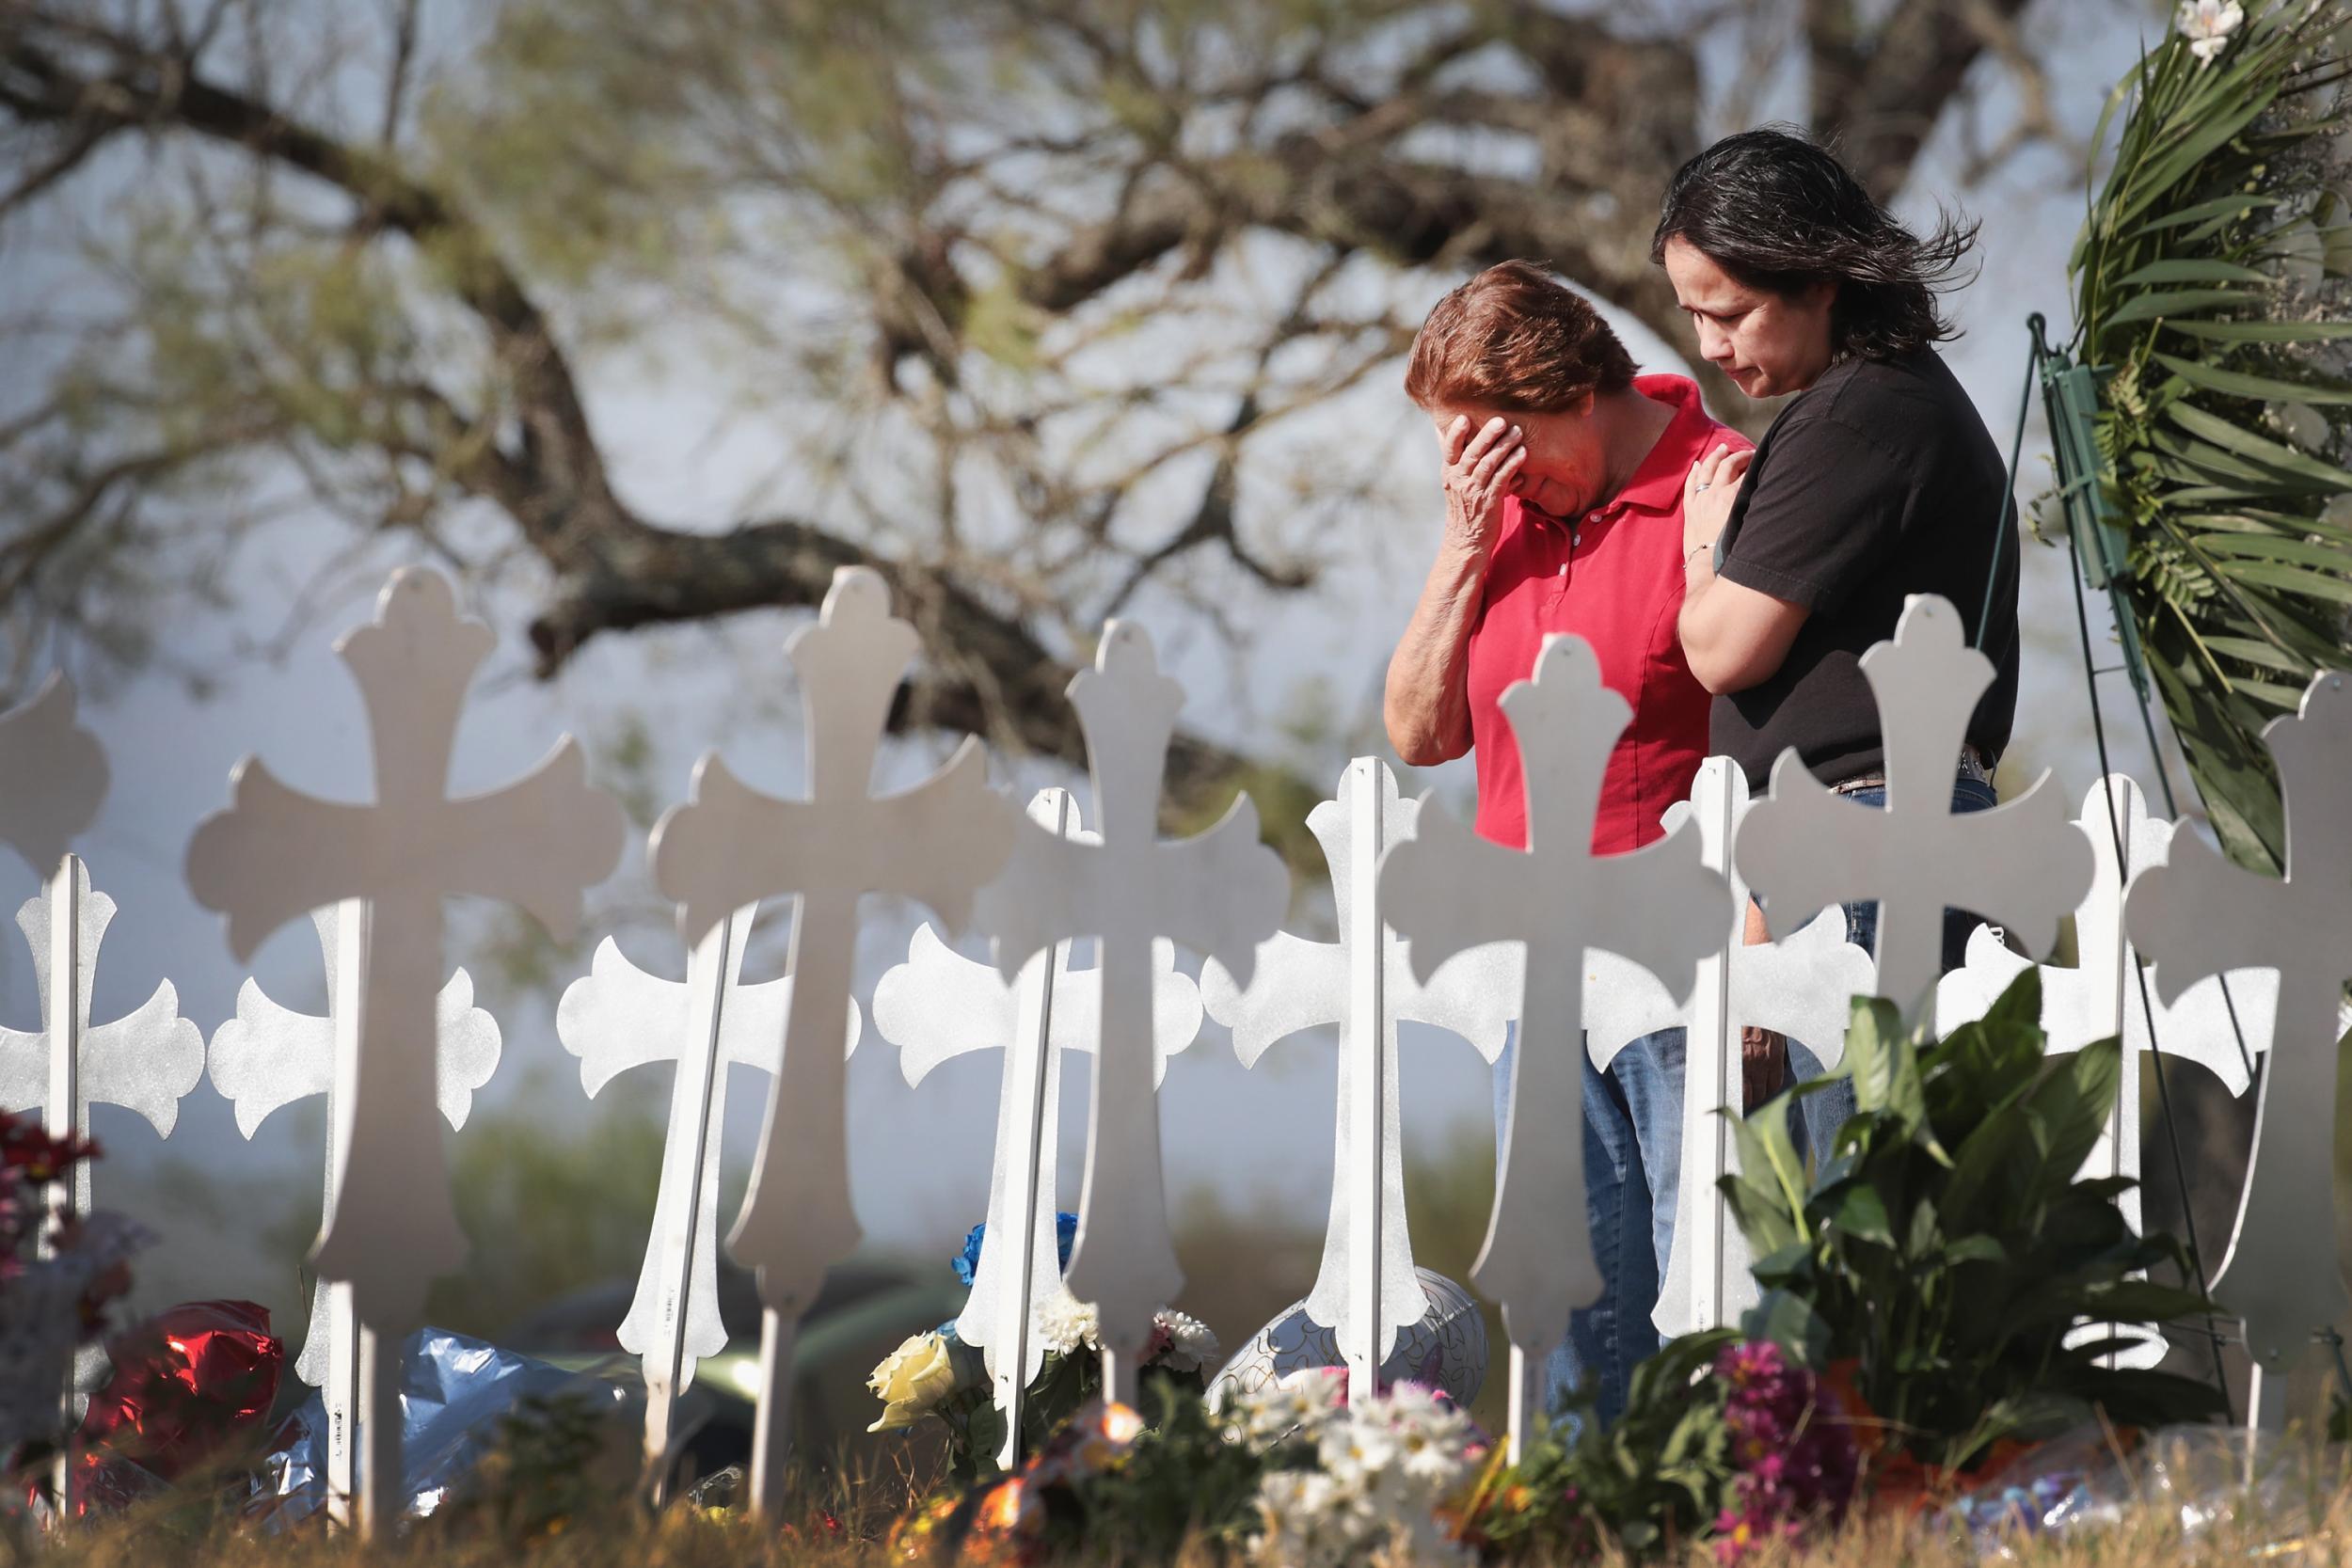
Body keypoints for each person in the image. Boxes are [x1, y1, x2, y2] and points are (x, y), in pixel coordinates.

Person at [1383, 260, 1746, 1427]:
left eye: (1500, 447)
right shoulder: (1501, 523)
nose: (1484, 475)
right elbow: (1418, 730)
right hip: (1531, 980)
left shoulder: (1715, 485)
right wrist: (1460, 544)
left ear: (1579, 393)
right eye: (1458, 456)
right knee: (1568, 1316)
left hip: (1682, 967)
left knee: (1707, 1297)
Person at [1655, 126, 2020, 1148]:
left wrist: (1699, 549)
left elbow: (1723, 650)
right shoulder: (1881, 403)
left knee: (1850, 1237)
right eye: (1690, 315)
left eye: (1727, 312)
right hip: (1848, 840)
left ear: (1817, 280)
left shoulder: (1860, 415)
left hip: (1866, 846)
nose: (1708, 348)